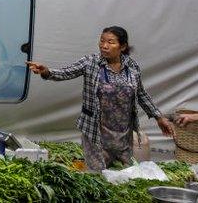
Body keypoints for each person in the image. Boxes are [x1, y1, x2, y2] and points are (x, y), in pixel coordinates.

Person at [27, 26, 174, 172]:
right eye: (102, 41)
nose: (104, 46)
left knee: (125, 175)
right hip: (96, 132)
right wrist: (46, 71)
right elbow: (65, 73)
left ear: (122, 46)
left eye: (110, 42)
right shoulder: (91, 62)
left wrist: (158, 117)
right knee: (97, 176)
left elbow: (141, 93)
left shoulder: (132, 66)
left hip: (123, 134)